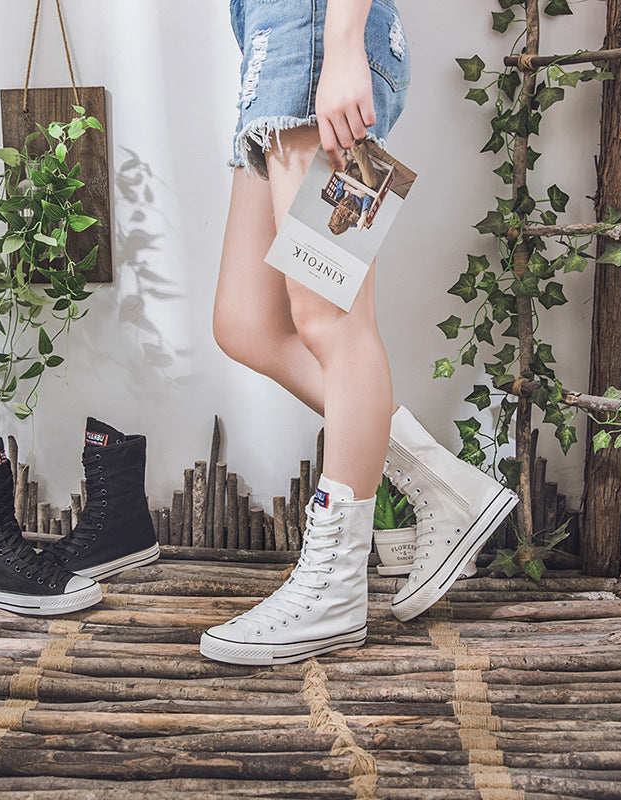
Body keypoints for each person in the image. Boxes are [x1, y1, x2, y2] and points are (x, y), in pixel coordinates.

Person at [199, 0, 518, 666]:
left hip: (317, 34)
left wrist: (342, 42)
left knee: (330, 317)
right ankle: (439, 481)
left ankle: (336, 589)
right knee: (246, 321)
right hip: (275, 46)